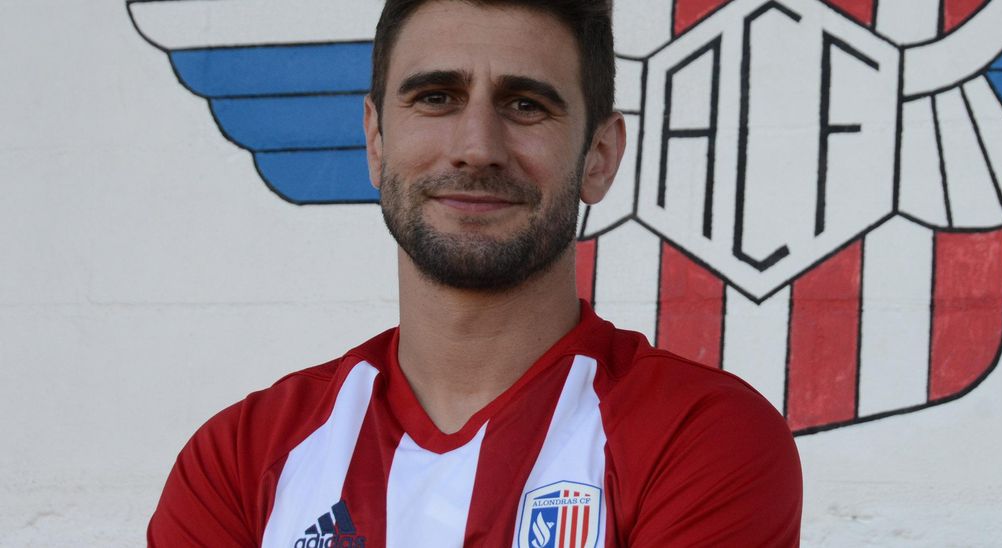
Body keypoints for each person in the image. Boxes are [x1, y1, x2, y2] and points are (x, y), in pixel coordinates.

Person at [147, 0, 802, 546]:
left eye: (525, 105)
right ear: (375, 140)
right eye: (436, 97)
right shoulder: (239, 460)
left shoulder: (702, 439)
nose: (476, 148)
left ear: (599, 157)